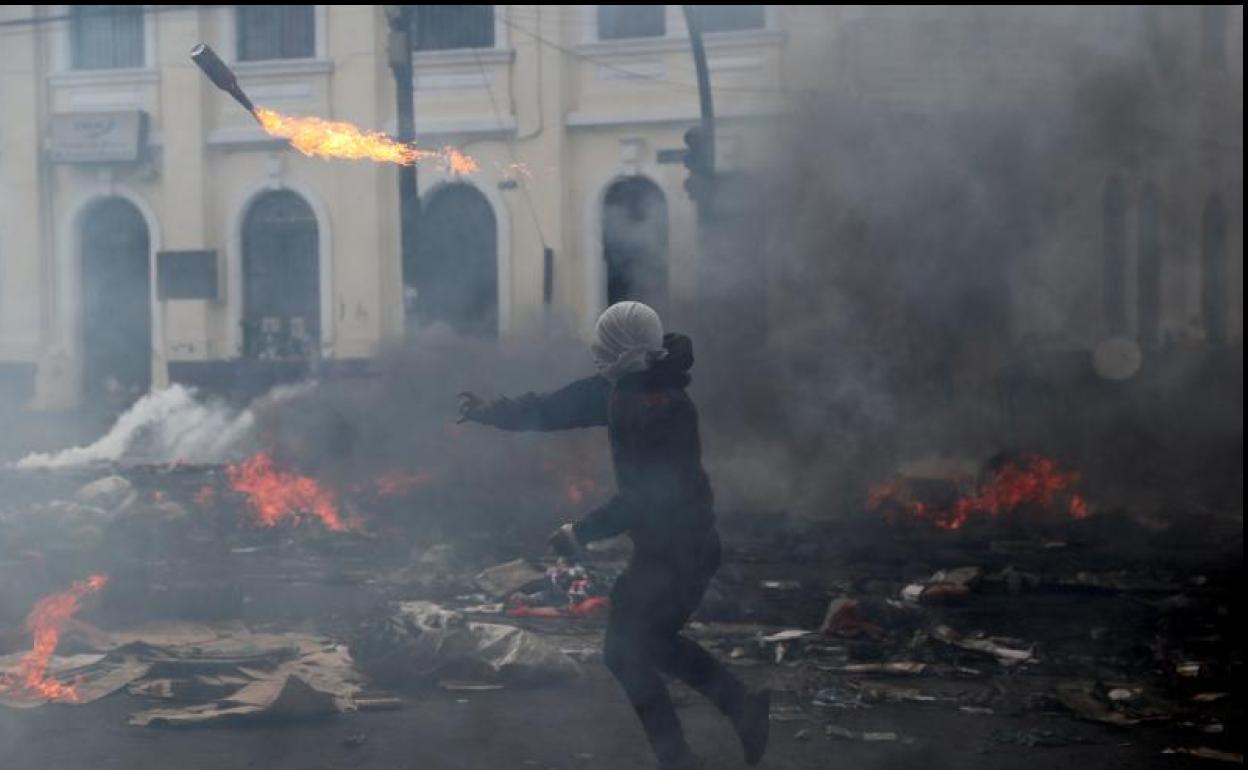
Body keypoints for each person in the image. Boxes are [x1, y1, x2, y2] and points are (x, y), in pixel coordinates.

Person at [459, 301, 769, 770]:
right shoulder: (623, 387)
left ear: (622, 349)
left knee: (626, 650)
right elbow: (552, 408)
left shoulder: (661, 406)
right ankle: (737, 713)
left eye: (605, 345)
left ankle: (684, 754)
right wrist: (490, 412)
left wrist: (579, 532)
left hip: (681, 551)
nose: (597, 353)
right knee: (650, 645)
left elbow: (647, 496)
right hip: (666, 549)